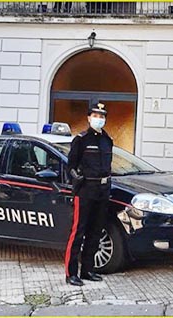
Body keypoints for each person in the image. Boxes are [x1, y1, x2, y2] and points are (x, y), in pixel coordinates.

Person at [65, 103, 113, 286]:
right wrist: (77, 179)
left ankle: (87, 270)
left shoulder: (107, 140)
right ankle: (71, 273)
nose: (99, 119)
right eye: (95, 115)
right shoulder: (81, 140)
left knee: (96, 231)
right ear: (88, 117)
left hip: (102, 190)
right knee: (78, 232)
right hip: (85, 190)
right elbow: (70, 166)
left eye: (102, 116)